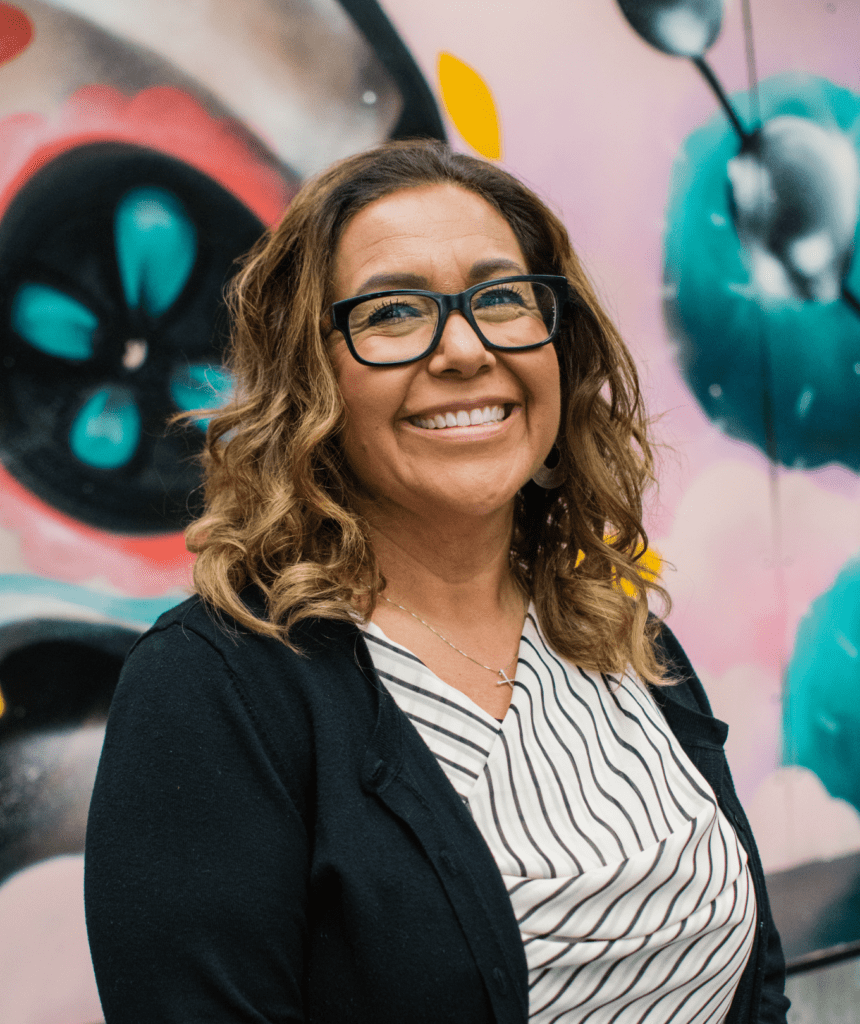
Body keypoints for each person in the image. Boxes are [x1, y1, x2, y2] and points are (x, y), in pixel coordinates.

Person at [84, 140, 789, 1024]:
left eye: (501, 297)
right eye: (393, 313)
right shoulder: (212, 690)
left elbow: (755, 983)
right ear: (310, 376)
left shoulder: (615, 629)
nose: (464, 350)